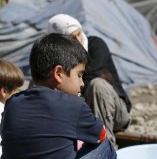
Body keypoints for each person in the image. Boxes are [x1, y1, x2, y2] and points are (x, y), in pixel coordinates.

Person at [0, 34, 127, 159]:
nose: (82, 83)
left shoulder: (13, 103)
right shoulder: (73, 105)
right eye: (79, 75)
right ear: (58, 73)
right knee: (107, 148)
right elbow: (100, 136)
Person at [48, 14, 131, 146]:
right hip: (81, 110)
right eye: (72, 38)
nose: (78, 40)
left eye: (79, 34)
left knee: (97, 85)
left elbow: (89, 78)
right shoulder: (59, 59)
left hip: (115, 112)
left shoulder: (96, 46)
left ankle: (106, 150)